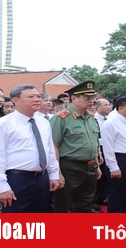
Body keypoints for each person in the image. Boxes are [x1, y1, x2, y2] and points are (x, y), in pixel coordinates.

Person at [0, 84, 60, 212]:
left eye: (38, 96)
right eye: (31, 96)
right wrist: (2, 187)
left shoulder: (43, 122)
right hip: (18, 178)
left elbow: (49, 151)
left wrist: (53, 174)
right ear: (15, 100)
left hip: (42, 178)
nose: (37, 99)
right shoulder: (2, 125)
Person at [50, 81, 102, 213]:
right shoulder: (61, 118)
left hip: (90, 166)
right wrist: (57, 173)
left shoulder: (91, 119)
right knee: (64, 205)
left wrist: (97, 166)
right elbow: (53, 147)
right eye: (86, 97)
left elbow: (93, 144)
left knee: (85, 204)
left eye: (93, 97)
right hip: (70, 167)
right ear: (73, 98)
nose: (91, 101)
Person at [101, 96, 126, 213]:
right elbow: (108, 147)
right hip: (120, 159)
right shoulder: (111, 123)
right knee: (117, 193)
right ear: (121, 108)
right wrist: (113, 167)